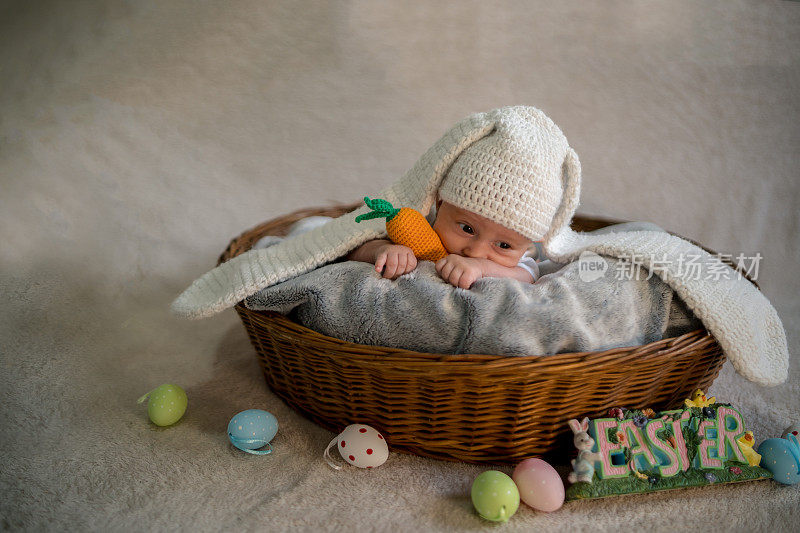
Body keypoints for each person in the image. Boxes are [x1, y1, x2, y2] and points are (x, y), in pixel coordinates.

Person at [346, 197, 540, 288]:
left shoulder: (524, 254)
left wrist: (481, 268)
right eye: (467, 229)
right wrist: (383, 249)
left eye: (504, 246)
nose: (475, 252)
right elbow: (352, 249)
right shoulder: (421, 225)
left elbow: (528, 275)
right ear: (440, 205)